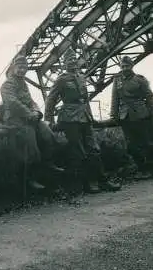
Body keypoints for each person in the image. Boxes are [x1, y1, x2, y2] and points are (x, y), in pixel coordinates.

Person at [44, 47, 121, 194]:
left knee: (94, 149)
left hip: (84, 117)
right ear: (64, 64)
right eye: (69, 60)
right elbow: (51, 99)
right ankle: (88, 183)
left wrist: (90, 117)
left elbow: (85, 100)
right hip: (70, 118)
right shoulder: (61, 79)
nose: (72, 62)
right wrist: (49, 119)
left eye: (74, 59)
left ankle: (103, 180)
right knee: (79, 151)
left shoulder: (81, 77)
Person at [0, 55, 64, 191]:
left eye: (24, 67)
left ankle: (48, 164)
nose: (22, 70)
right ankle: (30, 178)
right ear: (13, 67)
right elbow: (13, 103)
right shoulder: (7, 85)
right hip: (15, 120)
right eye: (19, 67)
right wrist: (30, 114)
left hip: (30, 118)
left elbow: (31, 101)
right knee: (31, 146)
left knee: (48, 135)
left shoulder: (23, 84)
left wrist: (37, 113)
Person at [110, 56, 153, 179]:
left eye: (127, 66)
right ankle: (142, 168)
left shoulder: (140, 80)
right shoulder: (117, 80)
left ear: (132, 66)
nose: (124, 68)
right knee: (131, 145)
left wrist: (152, 115)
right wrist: (114, 115)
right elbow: (115, 98)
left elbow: (149, 97)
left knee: (147, 143)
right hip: (125, 117)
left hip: (141, 115)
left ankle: (150, 170)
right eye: (122, 66)